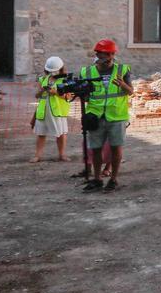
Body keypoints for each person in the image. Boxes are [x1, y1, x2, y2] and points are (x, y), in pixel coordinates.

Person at [80, 39, 132, 193]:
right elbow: (86, 96)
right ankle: (97, 179)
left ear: (112, 55)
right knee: (95, 148)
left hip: (117, 116)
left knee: (116, 148)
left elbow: (130, 91)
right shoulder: (87, 72)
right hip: (95, 116)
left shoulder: (123, 70)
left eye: (105, 54)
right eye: (99, 54)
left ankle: (113, 179)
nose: (102, 57)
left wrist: (122, 84)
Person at [30, 56, 71, 163]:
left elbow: (68, 97)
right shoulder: (43, 79)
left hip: (58, 112)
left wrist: (55, 93)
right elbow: (37, 96)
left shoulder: (65, 80)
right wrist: (42, 90)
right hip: (43, 111)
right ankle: (37, 155)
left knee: (61, 134)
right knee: (41, 134)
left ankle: (62, 154)